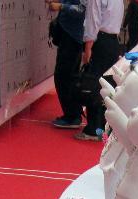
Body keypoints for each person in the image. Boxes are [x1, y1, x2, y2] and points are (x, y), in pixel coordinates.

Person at [76, 0, 124, 141]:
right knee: (108, 86)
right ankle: (104, 128)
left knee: (94, 85)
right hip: (113, 42)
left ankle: (93, 130)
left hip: (100, 42)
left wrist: (87, 48)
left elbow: (93, 21)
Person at [49, 0, 87, 129]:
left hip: (73, 37)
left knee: (64, 76)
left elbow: (82, 9)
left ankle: (72, 116)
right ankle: (72, 114)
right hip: (68, 35)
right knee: (65, 76)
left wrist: (60, 6)